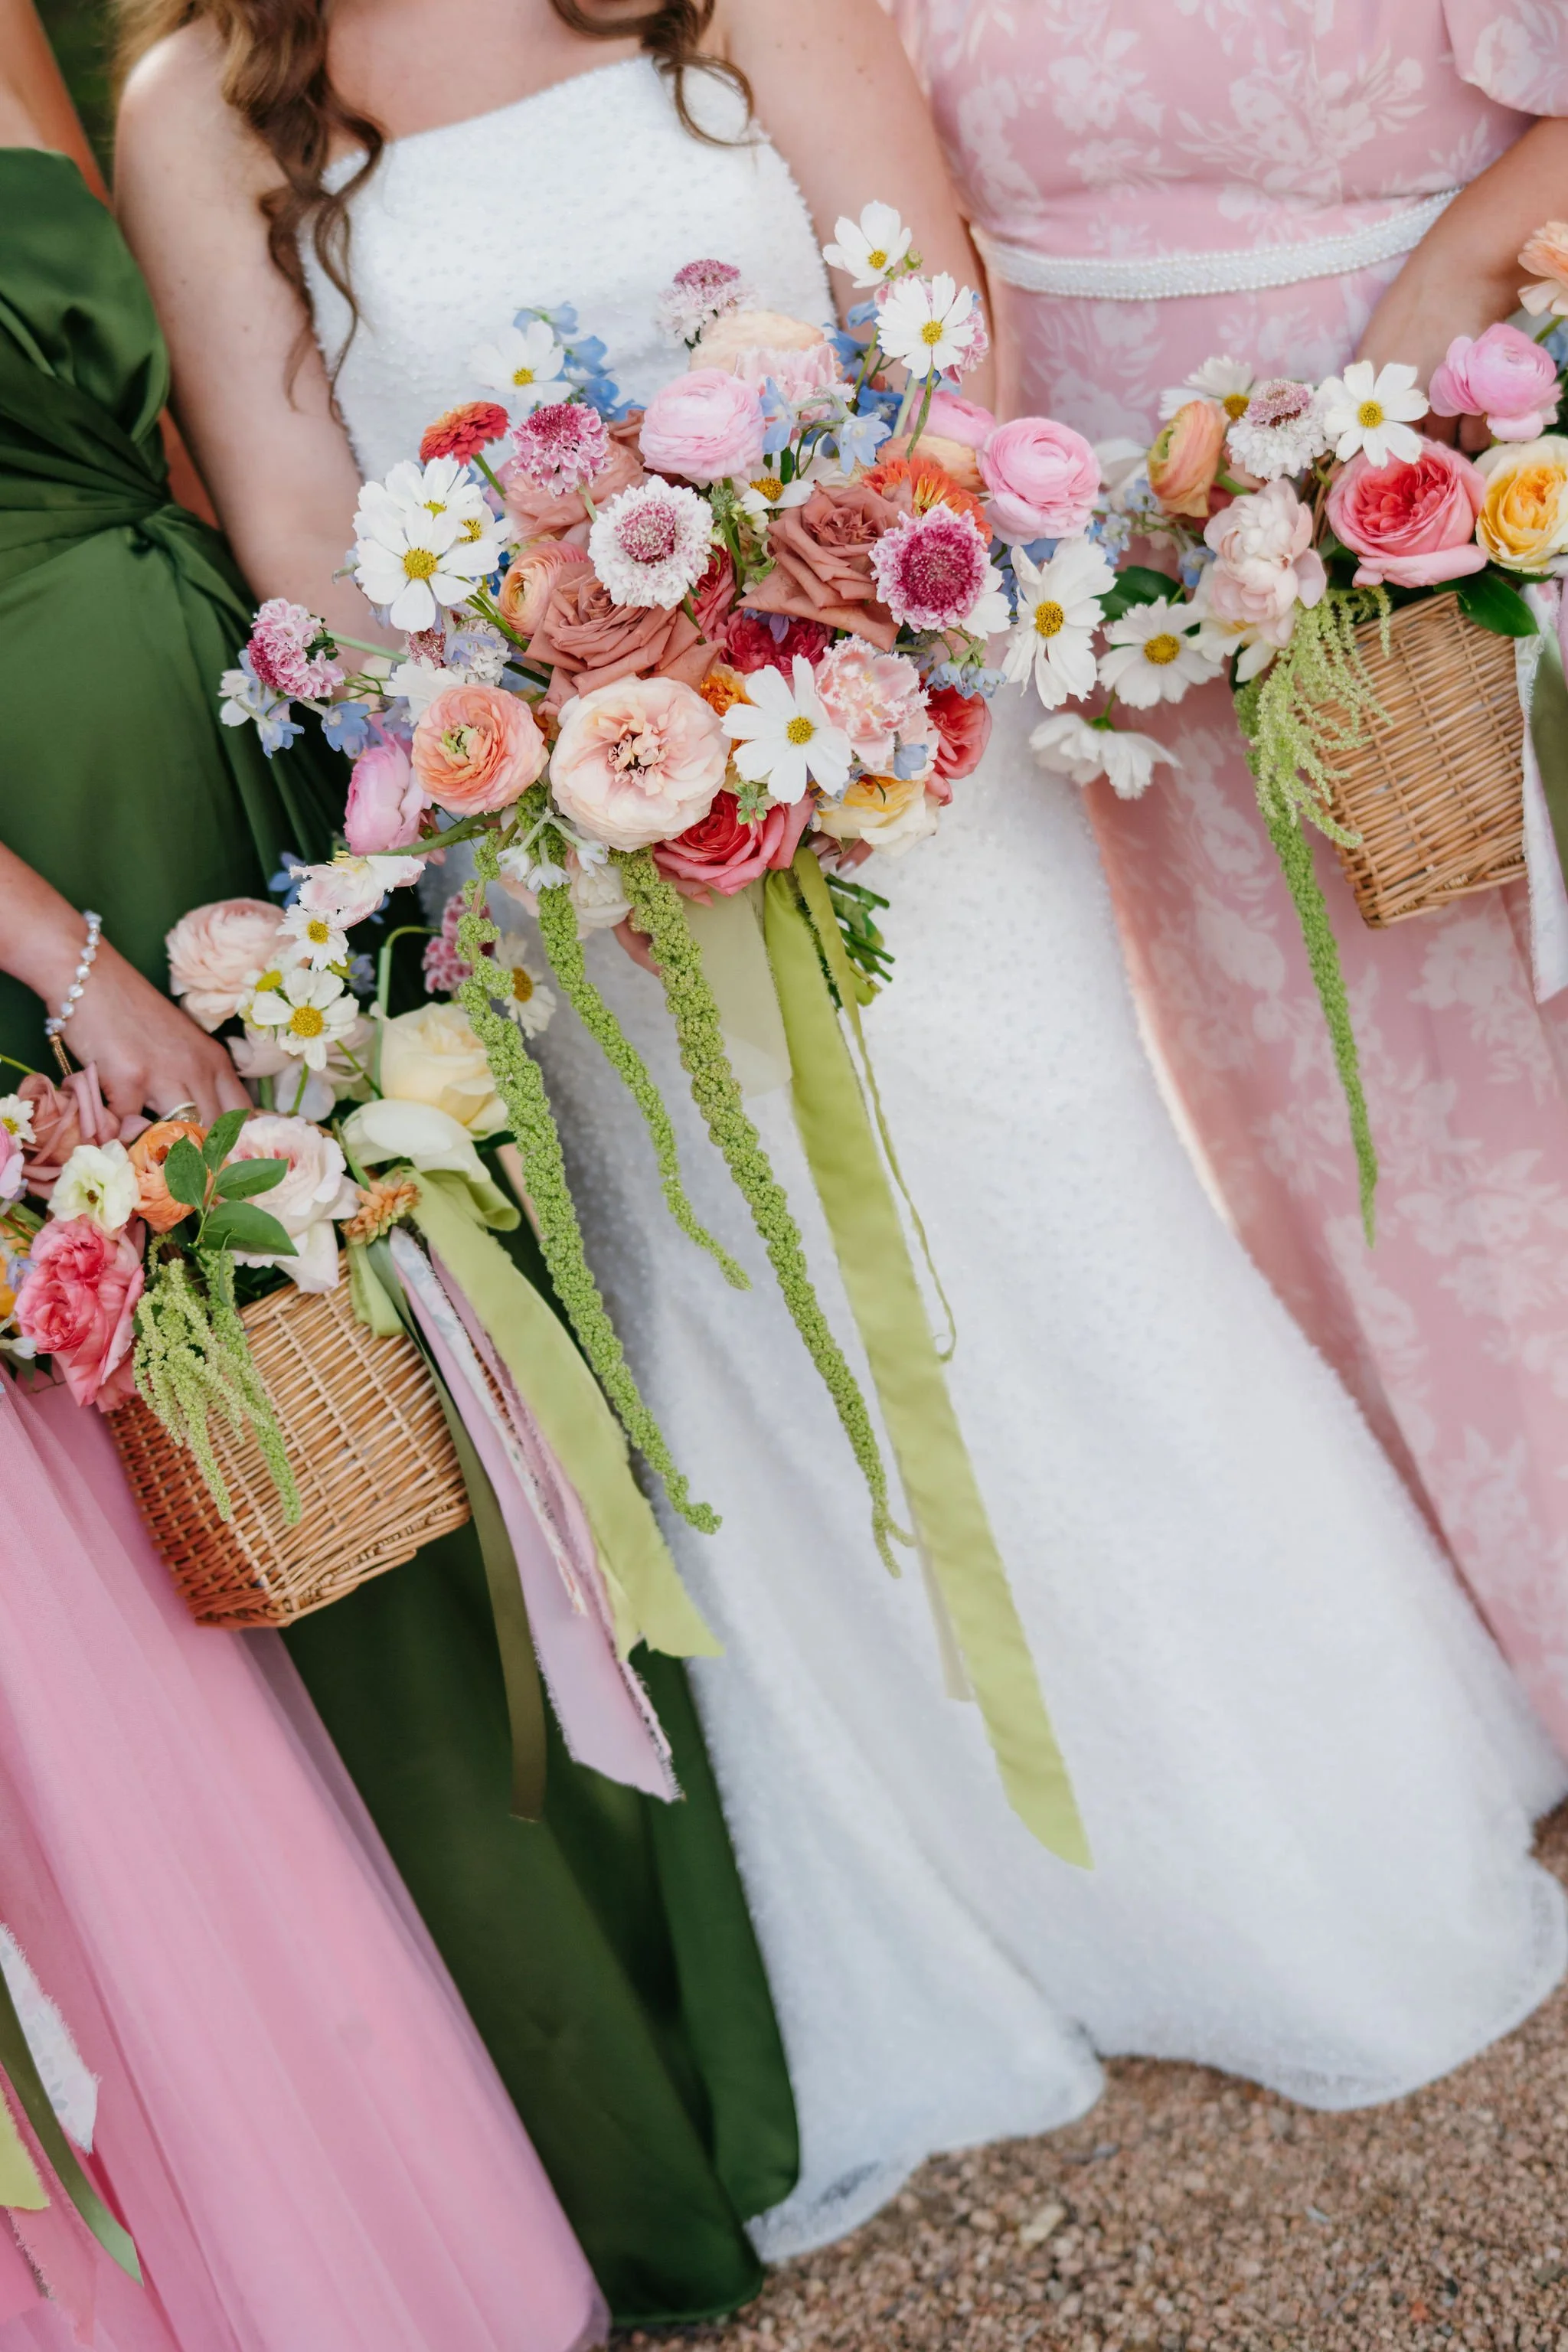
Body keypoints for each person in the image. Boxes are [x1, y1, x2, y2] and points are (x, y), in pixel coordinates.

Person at [116, 0, 1568, 2262]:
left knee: (1076, 1254)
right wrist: (538, 708)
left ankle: (1296, 1849)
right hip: (561, 839)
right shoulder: (200, 104)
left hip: (889, 757)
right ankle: (970, 1913)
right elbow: (301, 514)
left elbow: (931, 327)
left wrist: (794, 649)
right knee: (751, 1351)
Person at [1, 18, 796, 2326]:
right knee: (306, 1514)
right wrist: (66, 964)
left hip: (233, 752)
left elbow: (187, 405)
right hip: (53, 897)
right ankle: (554, 2165)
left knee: (497, 1401)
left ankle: (718, 2076)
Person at [891, 0, 1568, 1760]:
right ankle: (1490, 1659)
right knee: (1314, 1127)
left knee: (1511, 1067)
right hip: (1123, 596)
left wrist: (1436, 320)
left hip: (1443, 505)